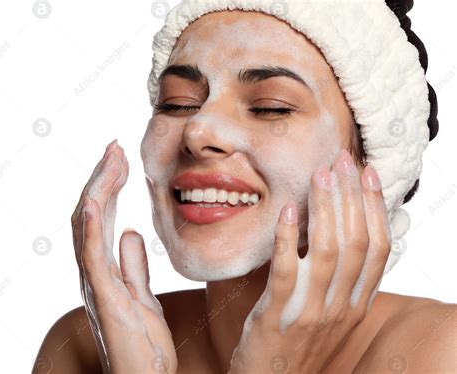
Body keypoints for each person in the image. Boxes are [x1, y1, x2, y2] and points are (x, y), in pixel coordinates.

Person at [33, 1, 456, 373]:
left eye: (269, 107)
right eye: (177, 103)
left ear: (372, 165)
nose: (197, 130)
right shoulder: (85, 346)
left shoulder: (440, 351)